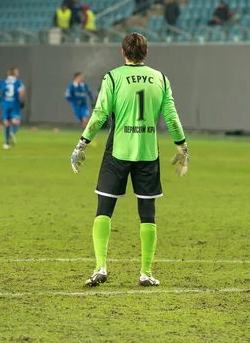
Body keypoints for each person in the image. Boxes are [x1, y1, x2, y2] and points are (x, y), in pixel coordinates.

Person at [70, 33, 188, 288]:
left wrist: (82, 144)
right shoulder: (161, 79)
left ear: (123, 53)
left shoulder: (112, 77)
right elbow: (172, 117)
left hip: (118, 151)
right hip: (148, 153)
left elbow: (100, 114)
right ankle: (145, 272)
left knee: (104, 209)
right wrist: (182, 148)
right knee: (147, 213)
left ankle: (101, 267)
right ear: (146, 54)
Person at [0, 67, 25, 150]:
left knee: (7, 123)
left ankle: (6, 143)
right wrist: (22, 101)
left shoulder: (2, 82)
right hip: (15, 104)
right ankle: (12, 133)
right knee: (16, 121)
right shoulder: (18, 82)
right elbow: (22, 92)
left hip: (5, 104)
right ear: (15, 73)